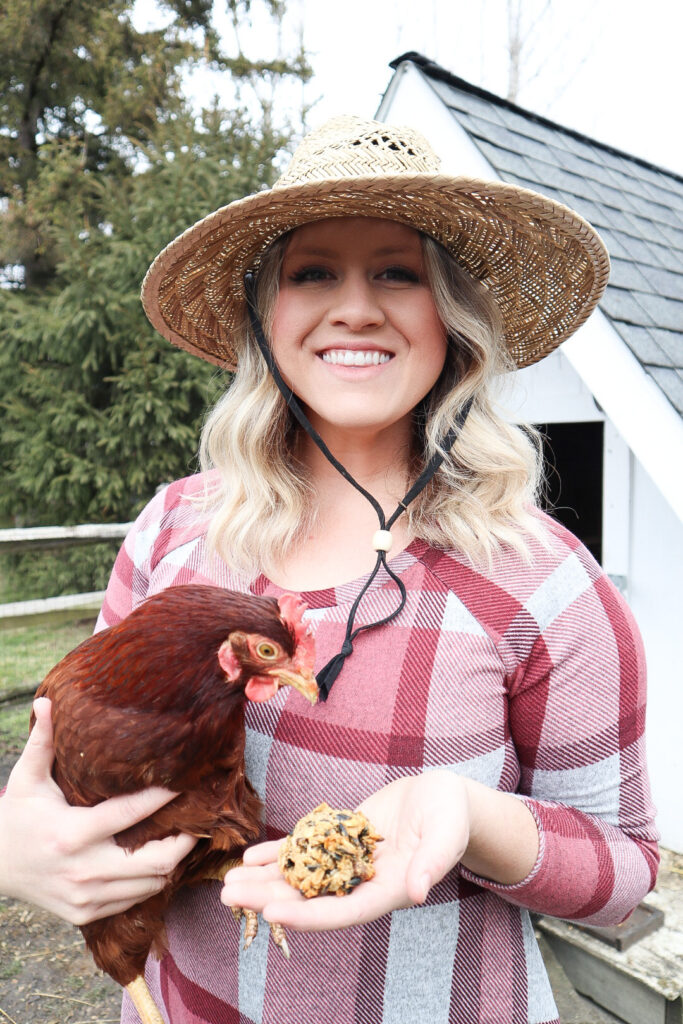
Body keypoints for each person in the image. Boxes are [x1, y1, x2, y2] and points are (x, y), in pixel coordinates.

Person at [0, 116, 659, 1024]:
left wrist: (469, 817)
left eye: (397, 271)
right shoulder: (176, 530)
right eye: (312, 273)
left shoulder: (541, 583)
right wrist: (15, 844)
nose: (354, 306)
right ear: (268, 318)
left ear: (451, 317)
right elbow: (69, 745)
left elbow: (622, 872)